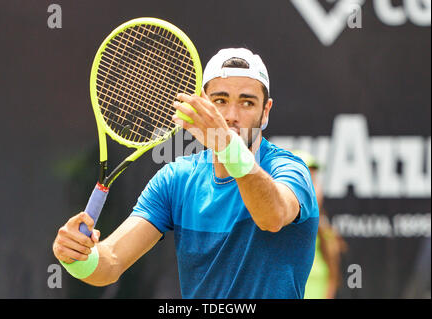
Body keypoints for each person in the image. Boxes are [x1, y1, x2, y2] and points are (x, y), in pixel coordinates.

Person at [53, 48, 319, 299]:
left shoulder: (289, 169)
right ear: (203, 104)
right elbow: (111, 262)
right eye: (220, 101)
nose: (231, 115)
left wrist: (226, 145)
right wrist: (78, 258)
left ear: (265, 112)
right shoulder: (176, 180)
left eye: (247, 103)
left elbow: (272, 216)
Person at [293, 150, 346, 299]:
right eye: (303, 181)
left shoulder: (328, 235)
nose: (311, 188)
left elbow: (332, 282)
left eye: (314, 180)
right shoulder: (270, 232)